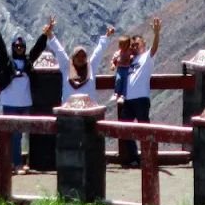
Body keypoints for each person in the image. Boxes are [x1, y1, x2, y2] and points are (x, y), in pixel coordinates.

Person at [0, 12, 52, 174]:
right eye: (16, 46)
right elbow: (0, 47)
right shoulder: (7, 62)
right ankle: (15, 164)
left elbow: (37, 49)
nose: (19, 49)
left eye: (21, 47)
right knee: (13, 134)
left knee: (19, 134)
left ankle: (10, 163)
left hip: (25, 103)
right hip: (10, 103)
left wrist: (46, 33)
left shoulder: (28, 62)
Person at [118, 17, 161, 167]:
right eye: (133, 45)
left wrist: (156, 33)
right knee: (125, 129)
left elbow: (154, 48)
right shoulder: (130, 61)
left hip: (141, 99)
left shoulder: (146, 57)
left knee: (144, 130)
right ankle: (134, 158)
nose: (135, 46)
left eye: (137, 44)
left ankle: (148, 157)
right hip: (128, 100)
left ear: (143, 44)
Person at [48, 24, 114, 102]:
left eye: (83, 56)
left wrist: (107, 36)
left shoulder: (91, 67)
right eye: (78, 56)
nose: (80, 58)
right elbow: (59, 50)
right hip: (68, 108)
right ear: (73, 57)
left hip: (89, 108)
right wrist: (50, 34)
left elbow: (99, 52)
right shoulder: (66, 67)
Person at [110, 35, 135, 103]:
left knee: (125, 82)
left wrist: (131, 57)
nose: (122, 46)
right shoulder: (117, 53)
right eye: (121, 44)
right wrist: (113, 65)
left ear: (128, 45)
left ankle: (123, 95)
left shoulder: (130, 52)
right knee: (118, 79)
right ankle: (116, 93)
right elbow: (113, 60)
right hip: (120, 69)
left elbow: (135, 52)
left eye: (124, 45)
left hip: (127, 69)